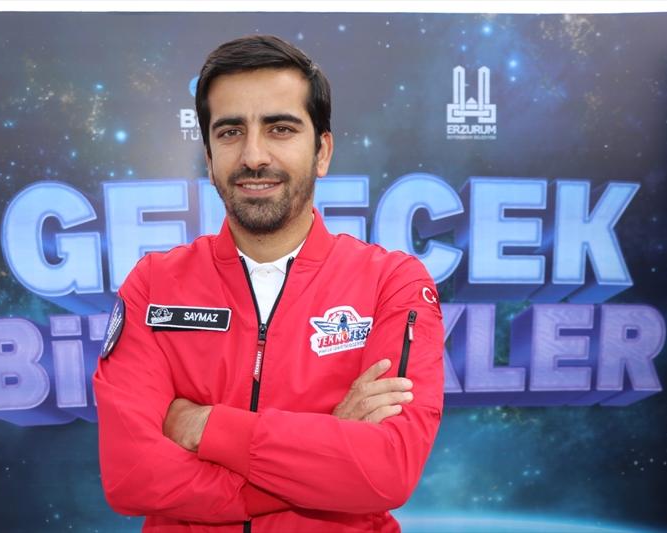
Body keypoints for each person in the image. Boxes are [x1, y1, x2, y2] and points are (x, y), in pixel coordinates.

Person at [93, 34, 444, 532]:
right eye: (231, 131)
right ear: (209, 156)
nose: (254, 155)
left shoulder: (392, 283)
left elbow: (386, 470)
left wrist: (205, 425)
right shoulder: (153, 285)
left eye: (280, 129)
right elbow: (133, 477)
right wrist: (326, 449)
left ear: (322, 151)